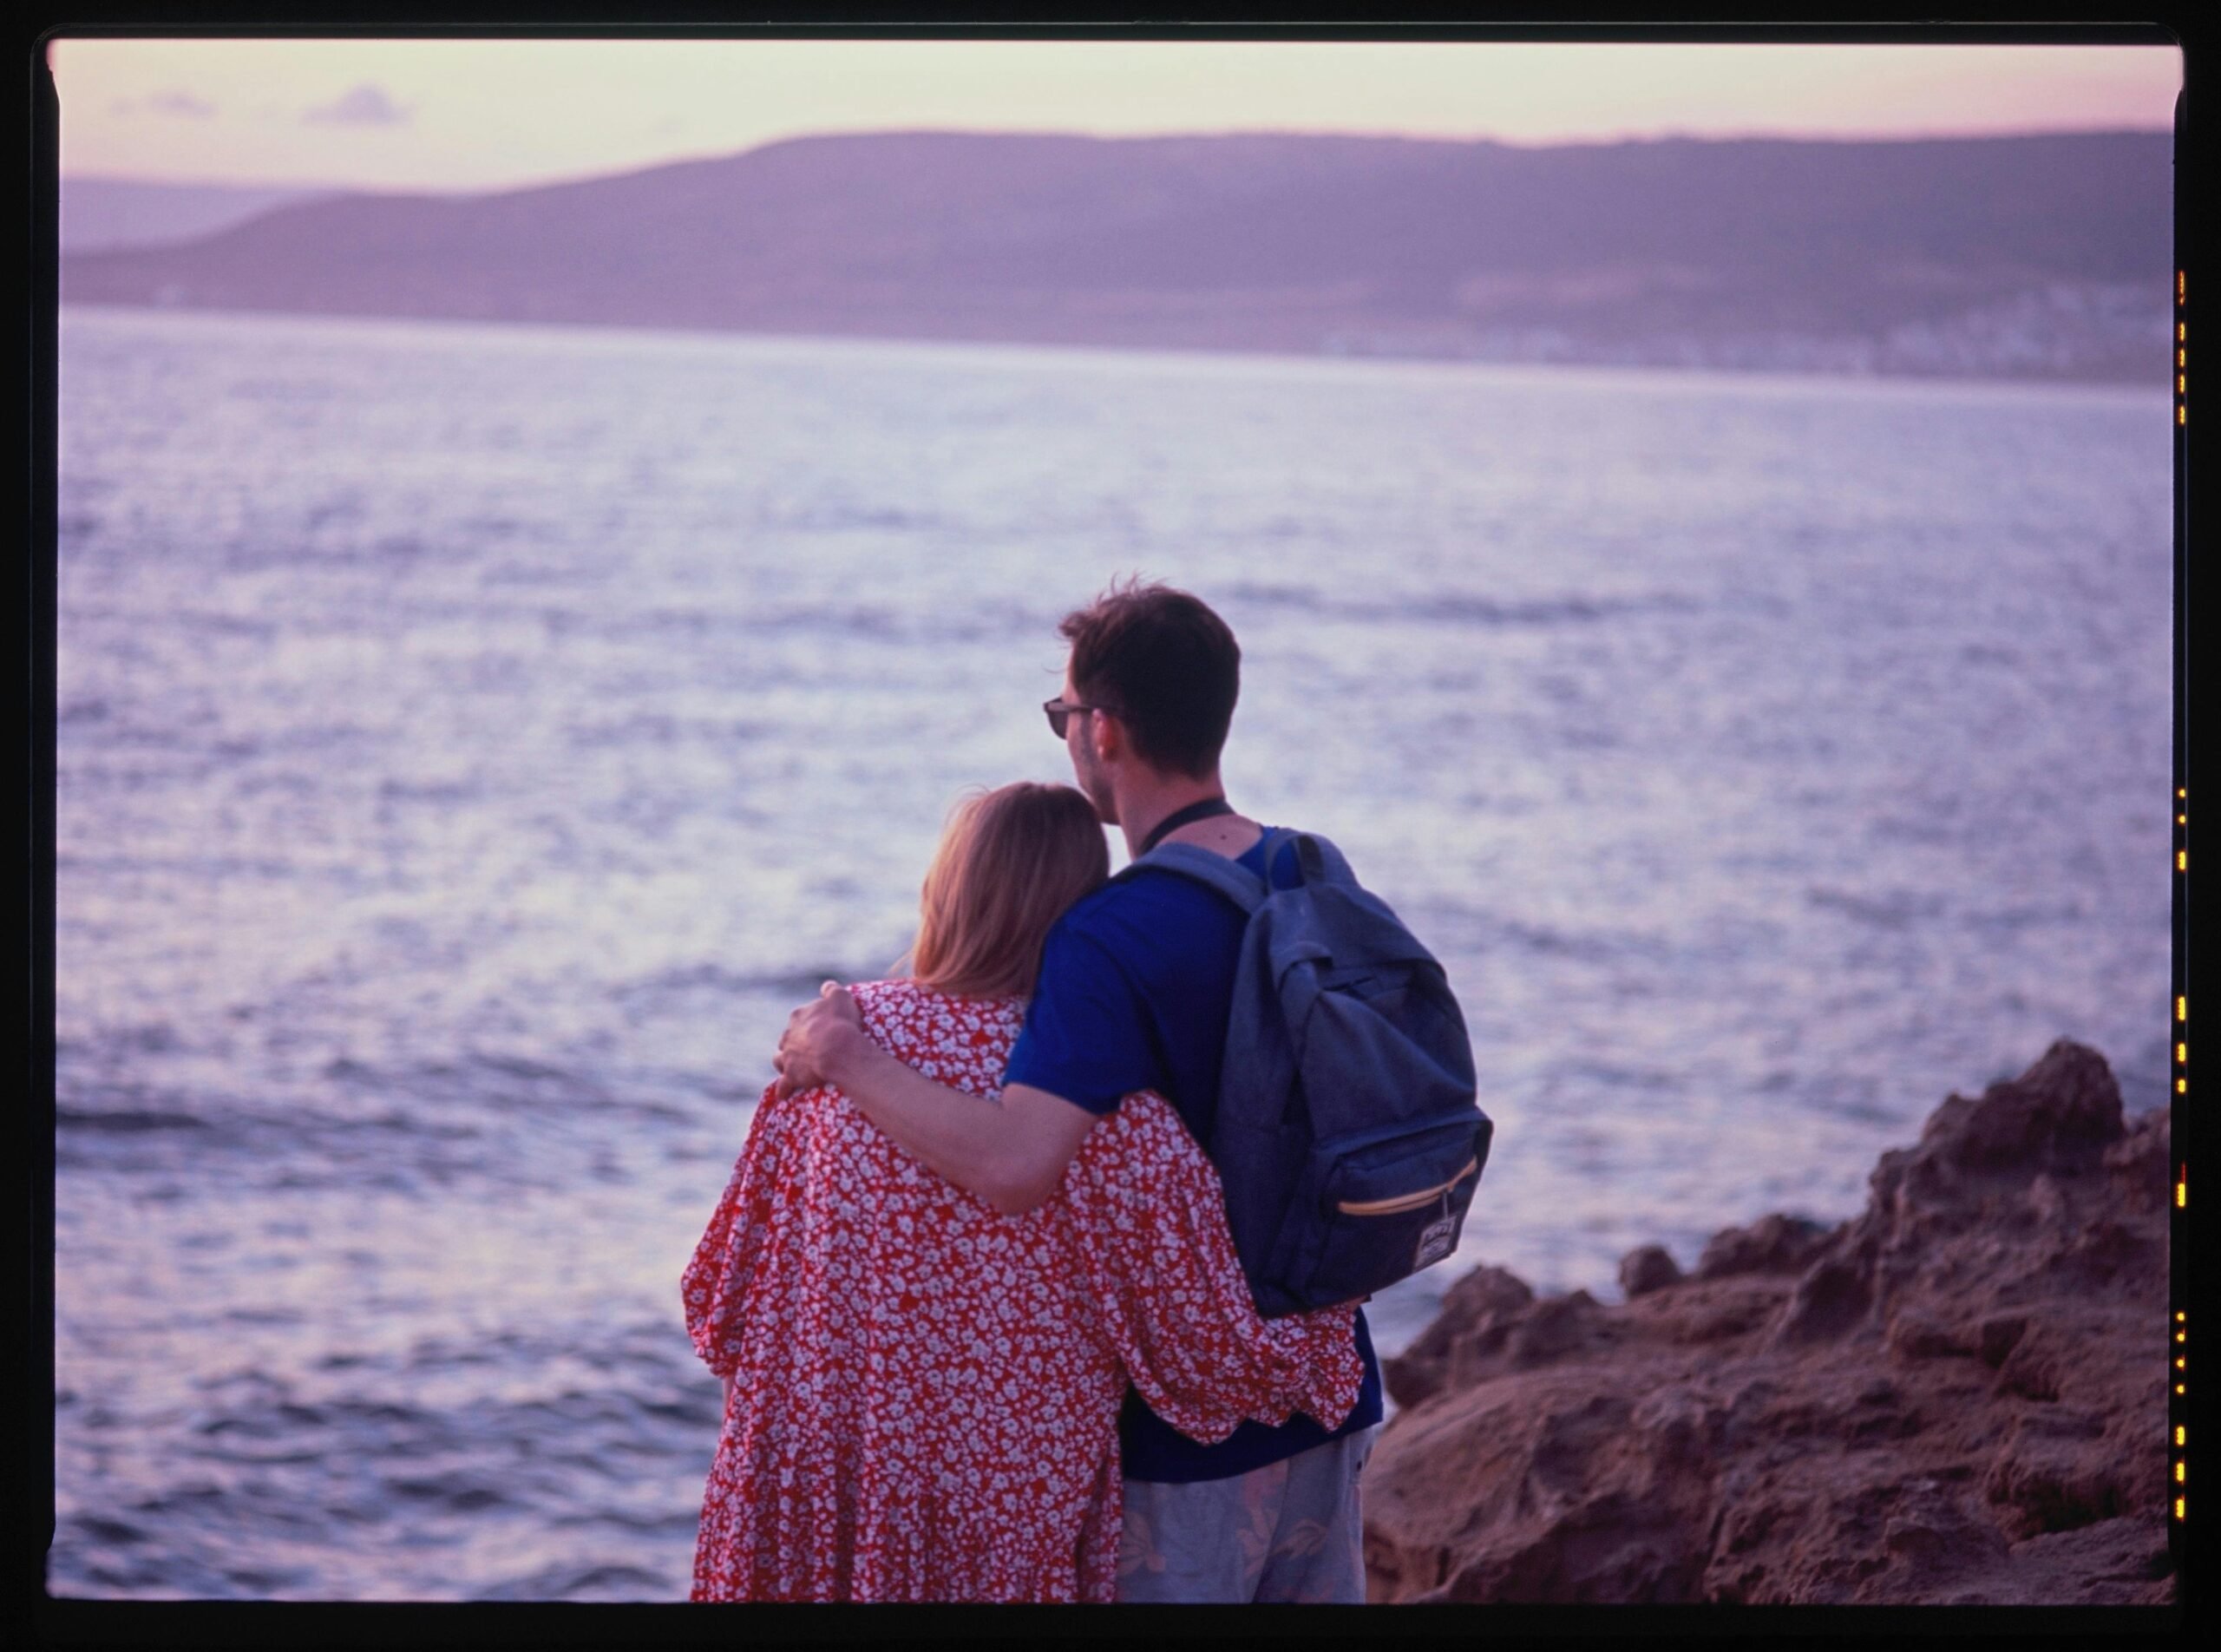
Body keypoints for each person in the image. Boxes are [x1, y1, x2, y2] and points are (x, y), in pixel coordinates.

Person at [776, 579, 1386, 1604]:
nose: (1065, 735)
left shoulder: (1108, 934)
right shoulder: (1309, 869)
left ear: (1103, 730)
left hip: (1192, 1431)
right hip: (1332, 1382)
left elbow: (1016, 1165)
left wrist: (848, 1059)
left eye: (1063, 714)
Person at [685, 780, 1361, 1603]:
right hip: (996, 1528)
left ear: (944, 891)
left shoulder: (826, 1048)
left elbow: (723, 1308)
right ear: (1080, 915)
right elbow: (1205, 1347)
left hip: (811, 1498)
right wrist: (1327, 1334)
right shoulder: (1105, 1109)